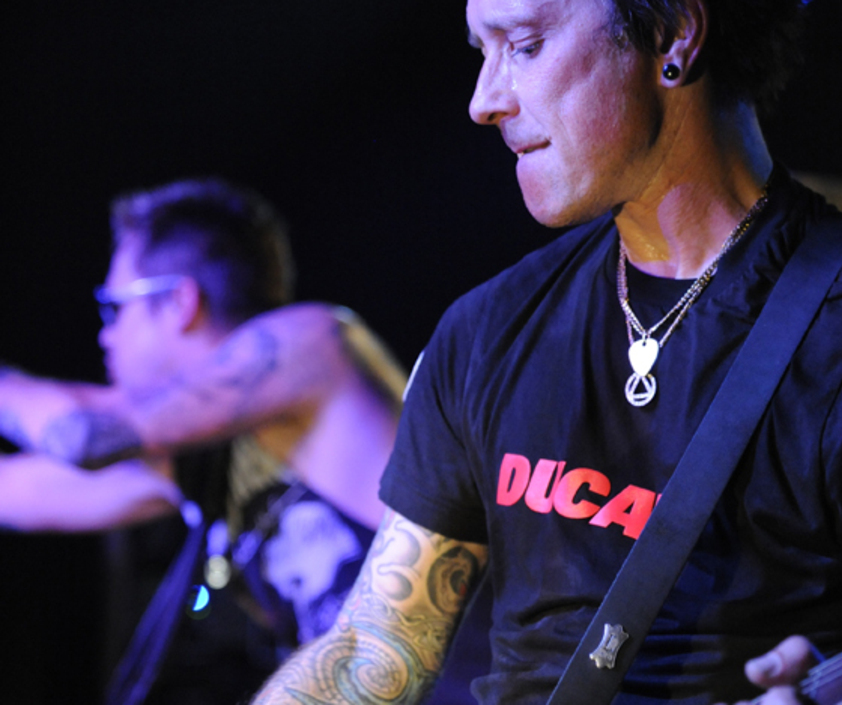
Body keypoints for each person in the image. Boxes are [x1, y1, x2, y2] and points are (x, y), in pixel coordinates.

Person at [251, 0, 842, 703]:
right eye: (484, 52)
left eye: (526, 45)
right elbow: (375, 648)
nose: (484, 100)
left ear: (674, 34)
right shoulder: (486, 329)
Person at [0, 178, 486, 704]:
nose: (106, 335)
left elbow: (83, 433)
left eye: (115, 307)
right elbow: (18, 493)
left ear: (180, 301)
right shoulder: (197, 455)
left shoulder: (309, 344)